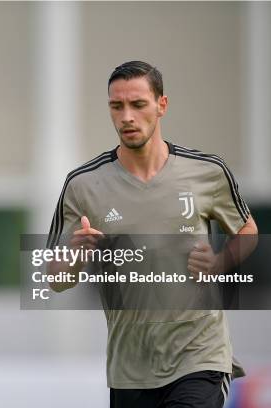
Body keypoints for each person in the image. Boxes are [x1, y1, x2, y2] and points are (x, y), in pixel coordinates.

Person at [46, 61, 258, 407]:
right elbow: (54, 278)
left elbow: (247, 229)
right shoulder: (83, 185)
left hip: (199, 357)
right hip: (130, 369)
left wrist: (221, 262)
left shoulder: (207, 172)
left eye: (138, 104)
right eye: (117, 106)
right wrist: (77, 254)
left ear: (162, 106)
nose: (127, 116)